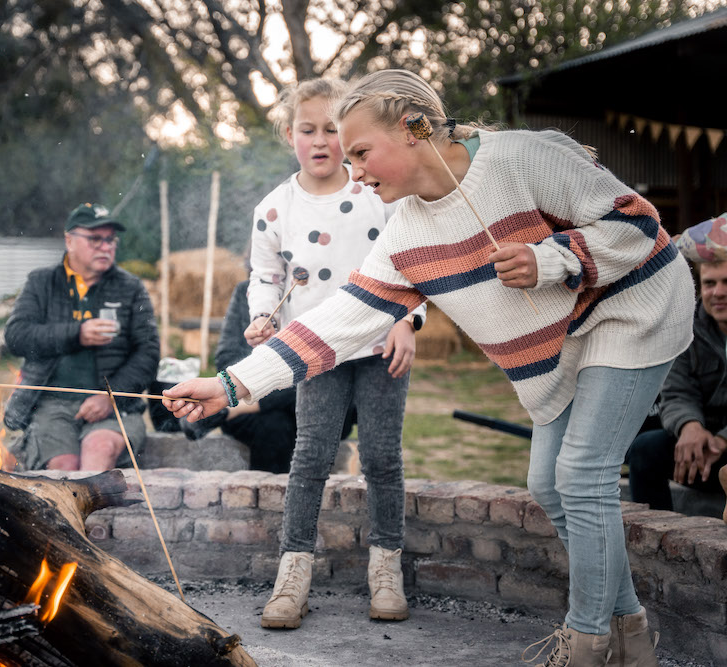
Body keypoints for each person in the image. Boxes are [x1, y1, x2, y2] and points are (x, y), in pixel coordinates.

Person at [163, 69, 695, 666]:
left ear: (414, 129)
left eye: (362, 151)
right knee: (549, 484)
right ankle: (632, 636)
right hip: (562, 341)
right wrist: (229, 383)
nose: (354, 169)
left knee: (582, 474)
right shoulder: (407, 234)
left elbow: (638, 220)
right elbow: (338, 322)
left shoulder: (521, 158)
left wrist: (554, 257)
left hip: (632, 306)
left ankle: (587, 643)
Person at [208, 77, 430, 631]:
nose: (322, 140)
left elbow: (416, 260)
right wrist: (263, 314)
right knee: (310, 458)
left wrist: (411, 320)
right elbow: (265, 276)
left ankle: (386, 569)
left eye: (333, 129)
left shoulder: (376, 192)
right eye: (308, 129)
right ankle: (293, 574)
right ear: (290, 135)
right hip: (316, 349)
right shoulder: (274, 208)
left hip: (381, 345)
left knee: (381, 458)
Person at [4, 203, 159, 472]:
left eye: (110, 240)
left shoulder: (131, 288)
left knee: (99, 450)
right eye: (95, 239)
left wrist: (110, 397)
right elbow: (16, 337)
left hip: (115, 405)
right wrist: (77, 334)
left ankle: (95, 516)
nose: (106, 247)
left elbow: (148, 352)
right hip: (50, 402)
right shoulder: (42, 282)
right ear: (69, 240)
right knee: (62, 467)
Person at [178, 278, 356, 473]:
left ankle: (229, 409)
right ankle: (265, 498)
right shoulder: (246, 291)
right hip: (260, 406)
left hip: (323, 404)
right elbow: (226, 358)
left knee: (312, 386)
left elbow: (335, 368)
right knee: (274, 426)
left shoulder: (331, 291)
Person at [627, 258, 727, 510]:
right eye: (709, 283)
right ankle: (655, 538)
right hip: (701, 446)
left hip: (721, 443)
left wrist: (723, 439)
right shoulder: (685, 324)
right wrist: (689, 427)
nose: (718, 292)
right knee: (645, 450)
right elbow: (676, 389)